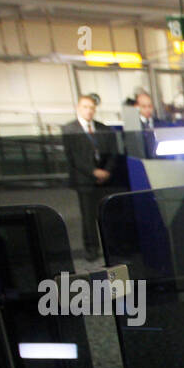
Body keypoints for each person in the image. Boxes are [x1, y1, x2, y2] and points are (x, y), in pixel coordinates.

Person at [61, 93, 122, 261]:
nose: (89, 111)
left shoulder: (104, 129)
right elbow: (73, 157)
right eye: (85, 107)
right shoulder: (69, 130)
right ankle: (91, 248)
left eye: (91, 108)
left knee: (107, 213)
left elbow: (113, 153)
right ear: (78, 108)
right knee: (88, 217)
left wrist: (107, 171)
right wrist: (93, 172)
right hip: (84, 180)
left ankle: (111, 246)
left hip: (105, 180)